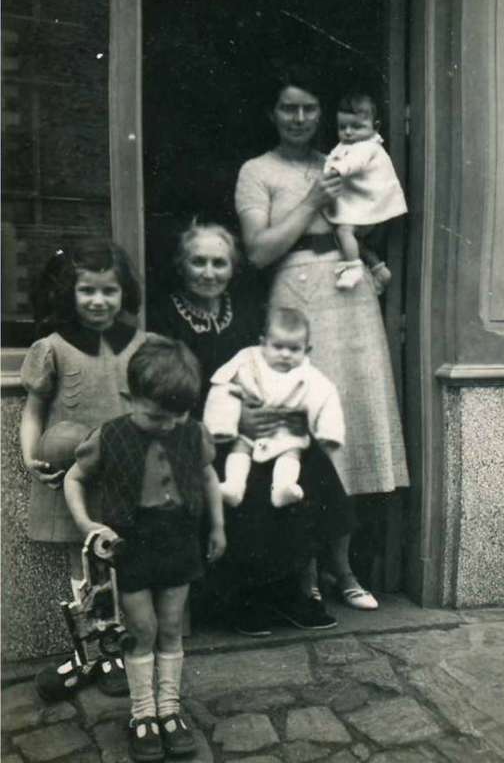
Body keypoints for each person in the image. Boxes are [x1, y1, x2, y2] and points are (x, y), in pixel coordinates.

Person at [235, 66, 410, 610]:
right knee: (303, 425)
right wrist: (313, 200)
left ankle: (343, 567)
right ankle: (304, 570)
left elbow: (371, 211)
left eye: (309, 108)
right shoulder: (257, 171)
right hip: (296, 297)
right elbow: (259, 251)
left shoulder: (341, 155)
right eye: (289, 108)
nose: (300, 118)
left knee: (347, 427)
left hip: (348, 293)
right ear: (272, 113)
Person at [148, 218, 352, 635]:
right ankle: (245, 598)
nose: (209, 272)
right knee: (245, 481)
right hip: (197, 428)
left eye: (219, 263)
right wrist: (234, 417)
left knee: (312, 466)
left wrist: (276, 411)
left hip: (261, 423)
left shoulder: (245, 310)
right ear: (182, 265)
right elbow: (165, 385)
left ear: (233, 267)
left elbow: (275, 367)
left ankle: (292, 591)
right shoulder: (164, 315)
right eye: (199, 262)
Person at [64, 336, 226, 762]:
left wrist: (218, 526)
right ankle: (142, 713)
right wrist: (86, 523)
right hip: (130, 547)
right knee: (142, 630)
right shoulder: (109, 436)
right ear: (129, 397)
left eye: (179, 415)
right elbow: (74, 478)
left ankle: (169, 709)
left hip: (179, 543)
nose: (169, 425)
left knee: (170, 626)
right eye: (156, 416)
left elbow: (208, 476)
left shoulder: (194, 435)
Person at [20, 240, 146, 700]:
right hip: (71, 476)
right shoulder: (52, 348)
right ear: (69, 293)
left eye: (109, 290)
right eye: (87, 290)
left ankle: (116, 650)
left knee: (118, 559)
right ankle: (90, 648)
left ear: (123, 292)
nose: (98, 300)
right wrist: (30, 457)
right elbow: (34, 411)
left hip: (122, 475)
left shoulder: (139, 345)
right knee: (82, 561)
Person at [204, 306, 345, 508]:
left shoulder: (309, 375)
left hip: (286, 433)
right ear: (263, 344)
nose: (285, 354)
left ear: (307, 350)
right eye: (277, 347)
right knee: (239, 447)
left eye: (294, 349)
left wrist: (329, 433)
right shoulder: (248, 361)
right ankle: (234, 486)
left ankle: (282, 489)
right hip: (248, 433)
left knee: (292, 452)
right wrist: (223, 423)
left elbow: (327, 398)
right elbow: (224, 383)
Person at [323, 92, 408, 291]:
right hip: (364, 204)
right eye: (342, 127)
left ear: (375, 127)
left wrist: (336, 170)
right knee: (353, 240)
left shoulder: (366, 147)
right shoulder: (350, 144)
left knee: (343, 232)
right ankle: (379, 269)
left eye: (356, 126)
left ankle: (353, 268)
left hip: (367, 205)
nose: (348, 132)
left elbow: (353, 163)